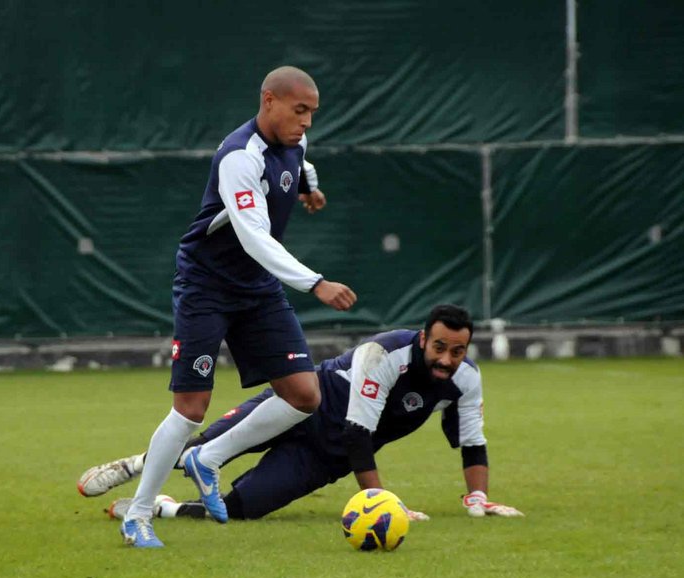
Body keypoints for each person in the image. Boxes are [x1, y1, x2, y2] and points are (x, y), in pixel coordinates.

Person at [118, 66, 357, 547]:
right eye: (300, 110)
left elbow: (300, 163)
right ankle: (138, 516)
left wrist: (308, 187)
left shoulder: (295, 140)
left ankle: (206, 459)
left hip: (257, 290)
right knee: (190, 410)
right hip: (207, 287)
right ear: (269, 101)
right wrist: (315, 283)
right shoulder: (238, 157)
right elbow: (253, 236)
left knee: (304, 395)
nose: (307, 121)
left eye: (312, 112)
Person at [79, 305, 523, 525]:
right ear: (424, 339)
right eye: (440, 347)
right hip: (302, 406)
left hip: (326, 457)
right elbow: (358, 433)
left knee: (241, 510)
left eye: (457, 351)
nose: (446, 359)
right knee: (203, 450)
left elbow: (473, 442)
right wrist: (383, 505)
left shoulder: (465, 379)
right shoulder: (385, 354)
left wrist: (478, 499)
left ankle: (164, 509)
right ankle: (134, 466)